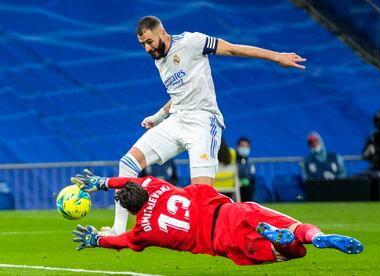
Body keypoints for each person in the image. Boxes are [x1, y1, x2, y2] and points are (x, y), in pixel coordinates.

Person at [107, 15, 306, 235]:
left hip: (203, 121)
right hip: (177, 120)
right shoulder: (159, 58)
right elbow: (180, 93)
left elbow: (231, 49)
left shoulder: (191, 42)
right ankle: (117, 230)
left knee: (202, 199)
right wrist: (157, 117)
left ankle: (258, 227)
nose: (146, 48)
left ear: (162, 33)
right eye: (142, 44)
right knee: (127, 164)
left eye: (149, 42)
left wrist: (277, 56)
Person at [71, 170, 363, 266]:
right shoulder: (156, 184)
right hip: (234, 212)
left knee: (292, 253)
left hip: (222, 241)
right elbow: (132, 181)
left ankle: (283, 243)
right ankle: (318, 237)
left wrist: (97, 239)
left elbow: (122, 240)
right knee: (296, 229)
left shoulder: (145, 230)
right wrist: (102, 182)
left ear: (133, 211)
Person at [236, 136, 256, 202]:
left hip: (246, 190)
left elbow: (252, 177)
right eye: (242, 146)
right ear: (237, 147)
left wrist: (247, 180)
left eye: (247, 146)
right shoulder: (232, 161)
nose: (244, 148)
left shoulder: (250, 163)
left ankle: (248, 205)